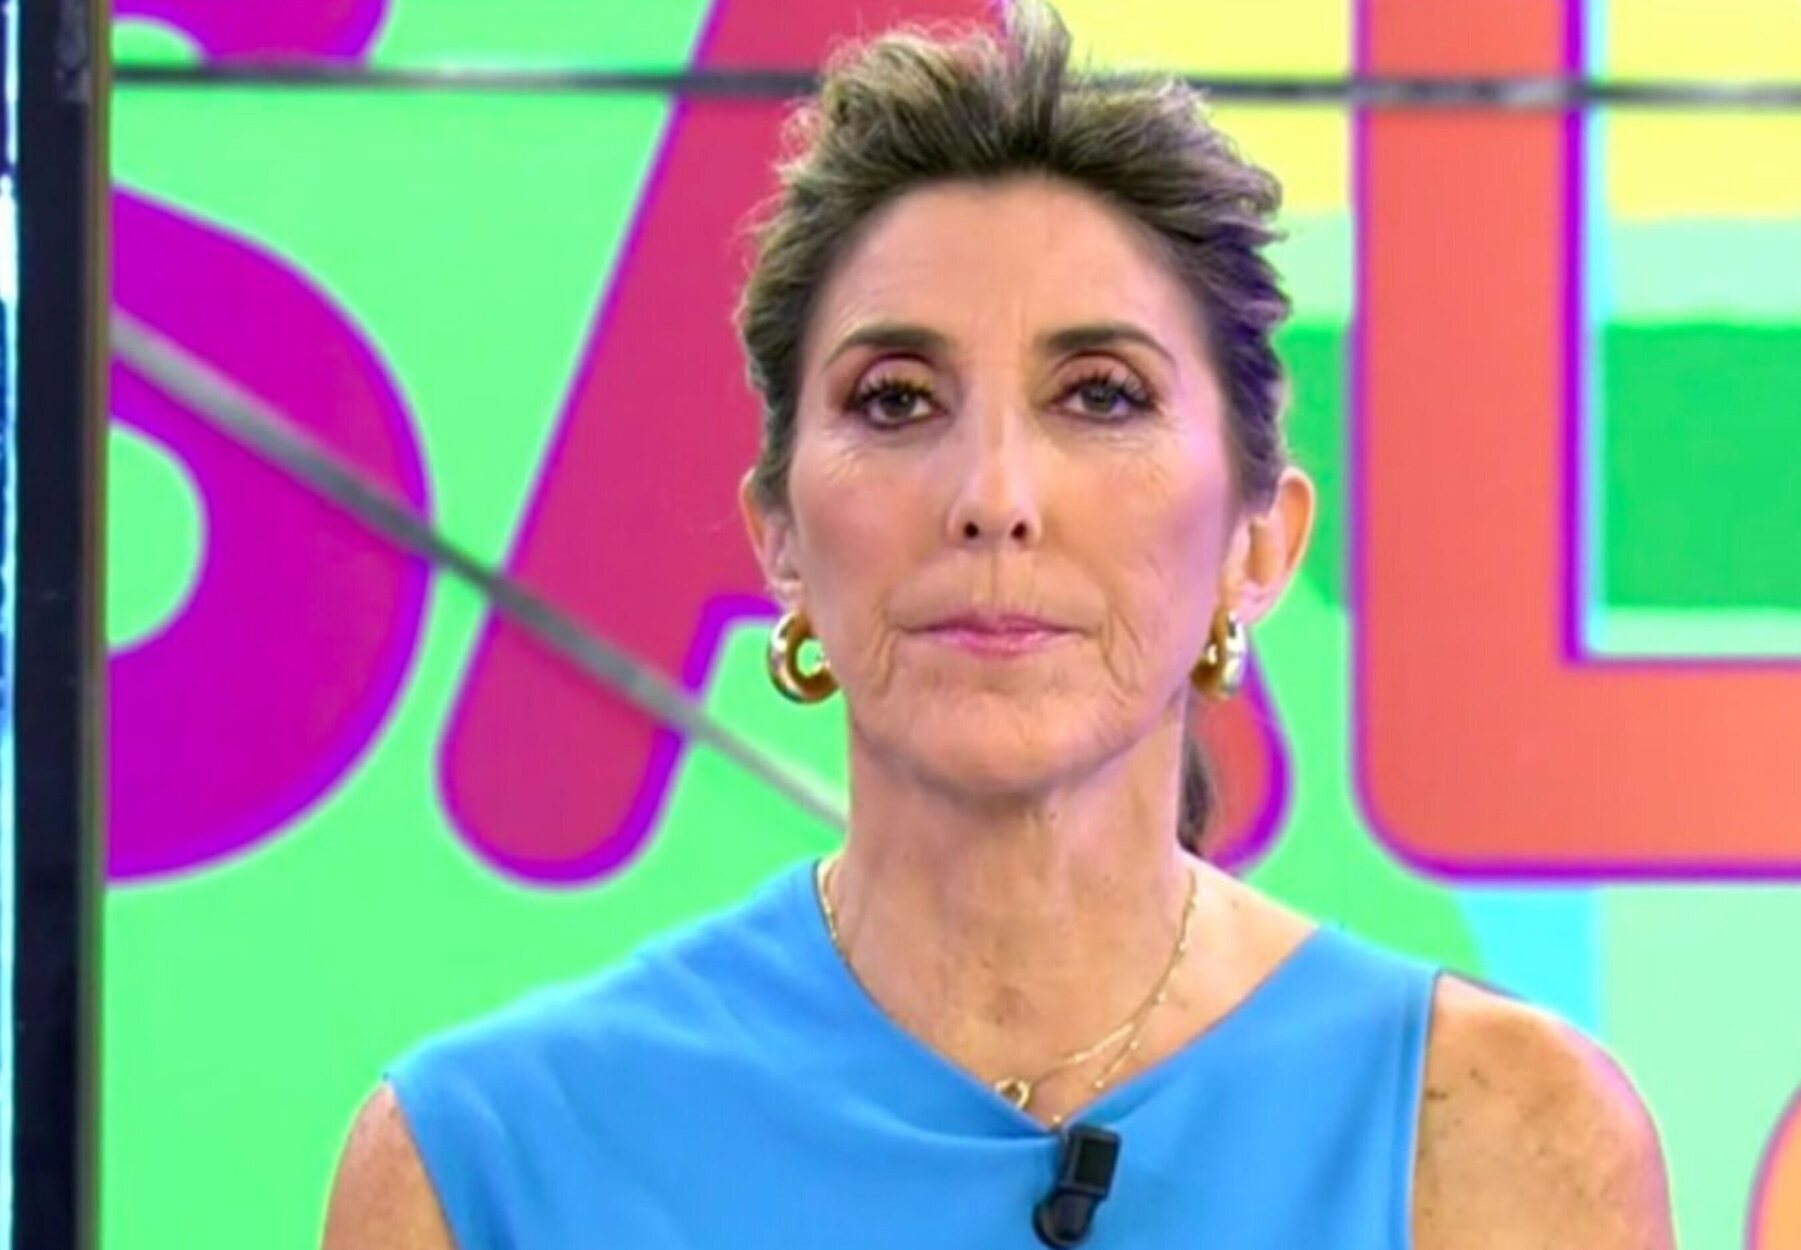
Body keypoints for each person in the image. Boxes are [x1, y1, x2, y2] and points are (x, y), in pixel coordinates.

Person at [323, 5, 1675, 1247]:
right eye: (897, 399)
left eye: (1100, 395)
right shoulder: (483, 1163)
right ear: (780, 538)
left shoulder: (1500, 1136)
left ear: (1258, 544)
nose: (994, 499)